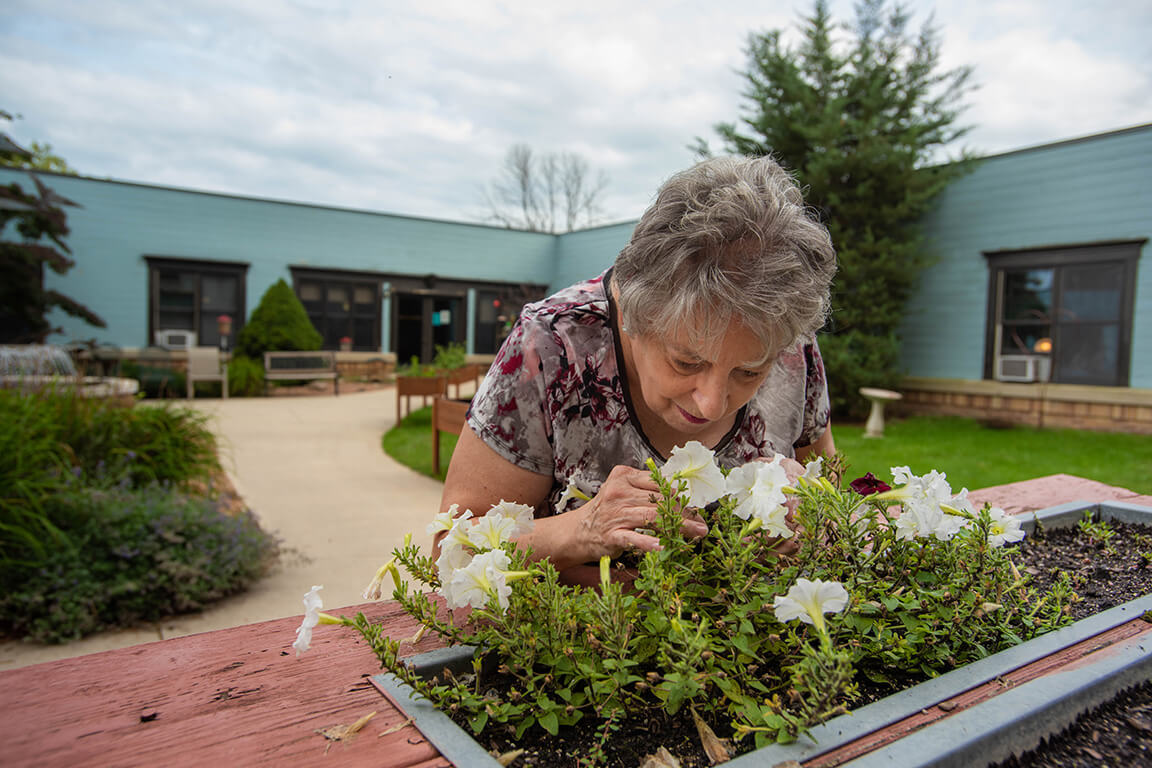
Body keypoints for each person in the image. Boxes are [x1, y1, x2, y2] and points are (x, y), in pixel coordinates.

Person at [438, 155, 838, 584]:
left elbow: (832, 507)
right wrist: (581, 530)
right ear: (630, 310)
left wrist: (814, 513)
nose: (711, 403)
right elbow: (452, 549)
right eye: (687, 361)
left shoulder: (788, 341)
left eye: (750, 372)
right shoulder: (550, 346)